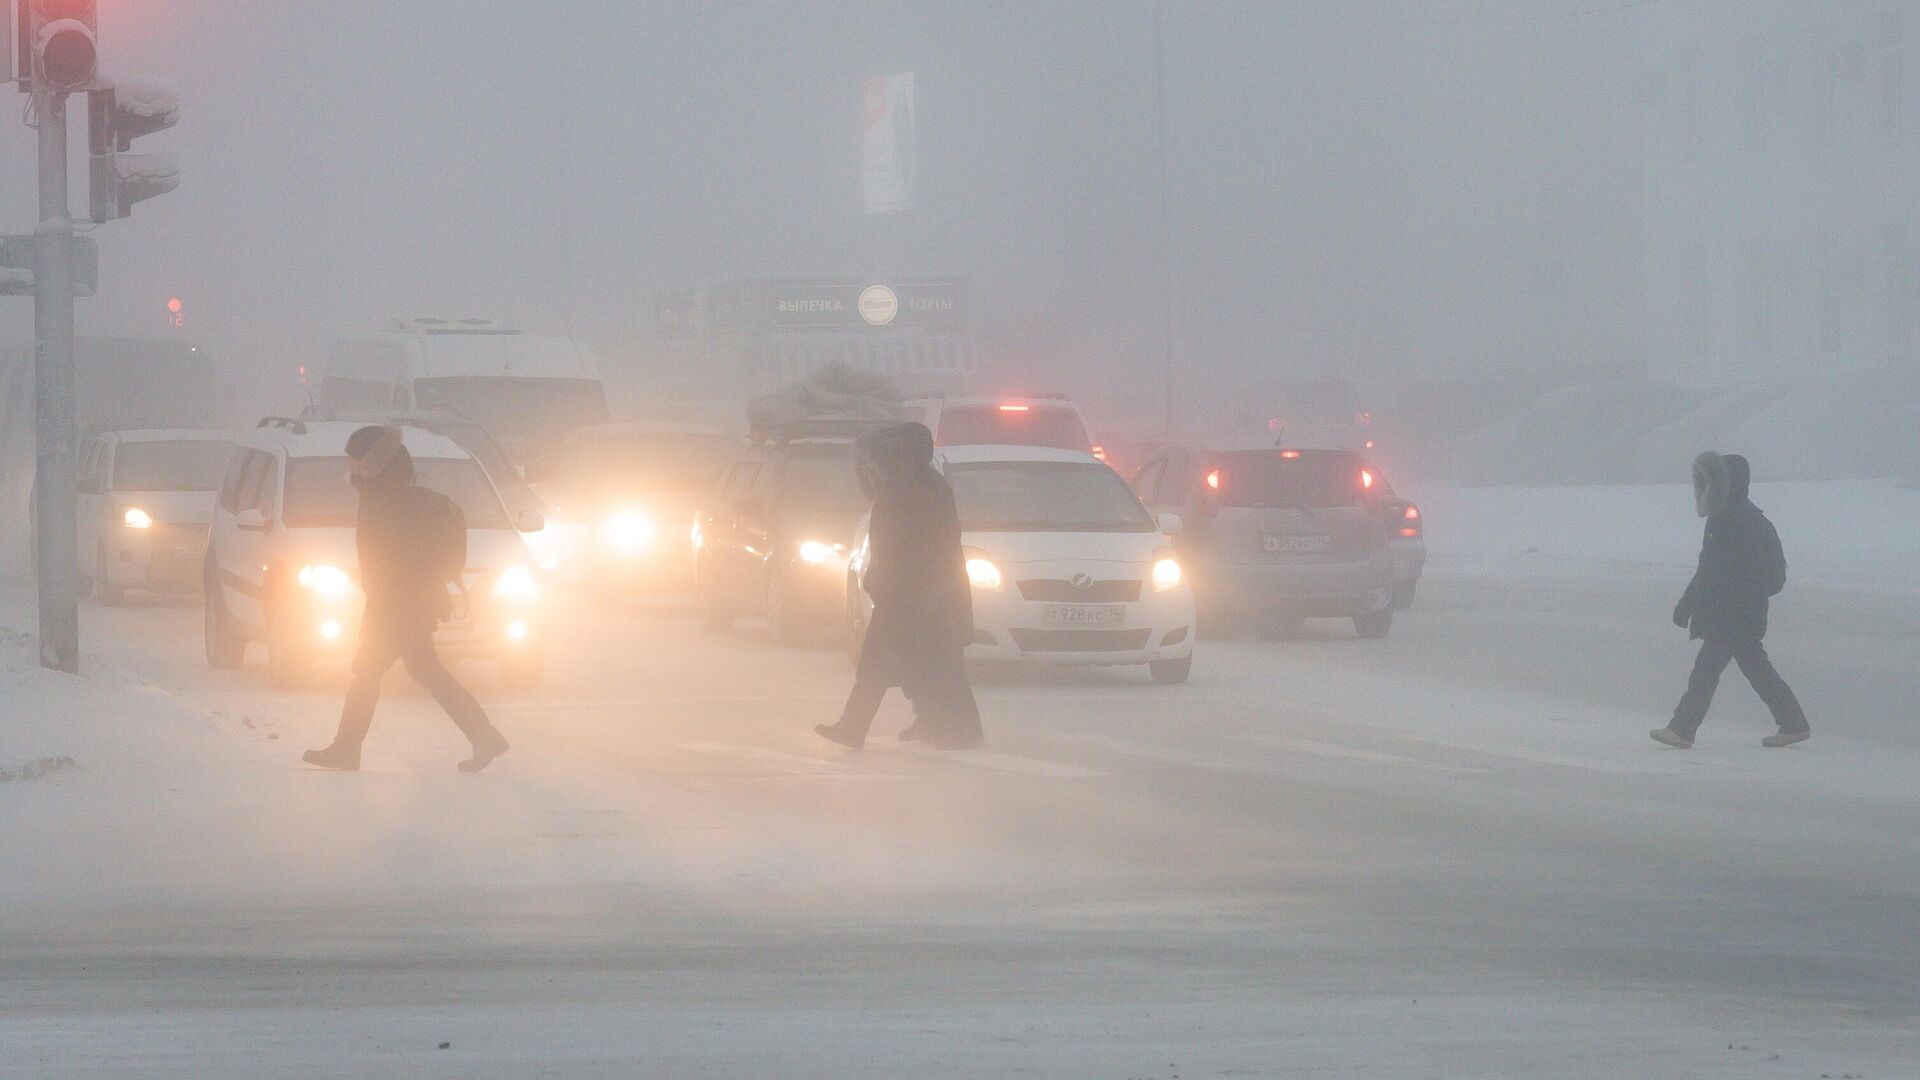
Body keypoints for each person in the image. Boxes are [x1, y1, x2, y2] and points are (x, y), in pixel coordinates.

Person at [303, 425, 511, 772]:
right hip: (406, 603)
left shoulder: (383, 498)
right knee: (422, 671)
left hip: (394, 606)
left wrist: (383, 606)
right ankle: (484, 736)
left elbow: (384, 560)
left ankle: (347, 749)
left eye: (354, 460)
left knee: (369, 673)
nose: (350, 466)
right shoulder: (391, 491)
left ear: (370, 463)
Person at [816, 423, 983, 750]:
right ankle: (943, 725)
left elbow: (902, 550)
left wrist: (880, 582)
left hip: (912, 597)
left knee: (884, 665)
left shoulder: (906, 492)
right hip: (929, 595)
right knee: (936, 662)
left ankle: (855, 728)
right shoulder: (924, 484)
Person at [1652, 452, 1810, 750]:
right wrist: (1687, 604)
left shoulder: (1746, 523)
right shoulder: (1721, 519)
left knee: (1705, 672)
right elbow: (1707, 569)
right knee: (1756, 670)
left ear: (1728, 483)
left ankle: (1682, 729)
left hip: (1736, 617)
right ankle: (1794, 723)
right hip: (1728, 616)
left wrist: (1733, 599)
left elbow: (1766, 577)